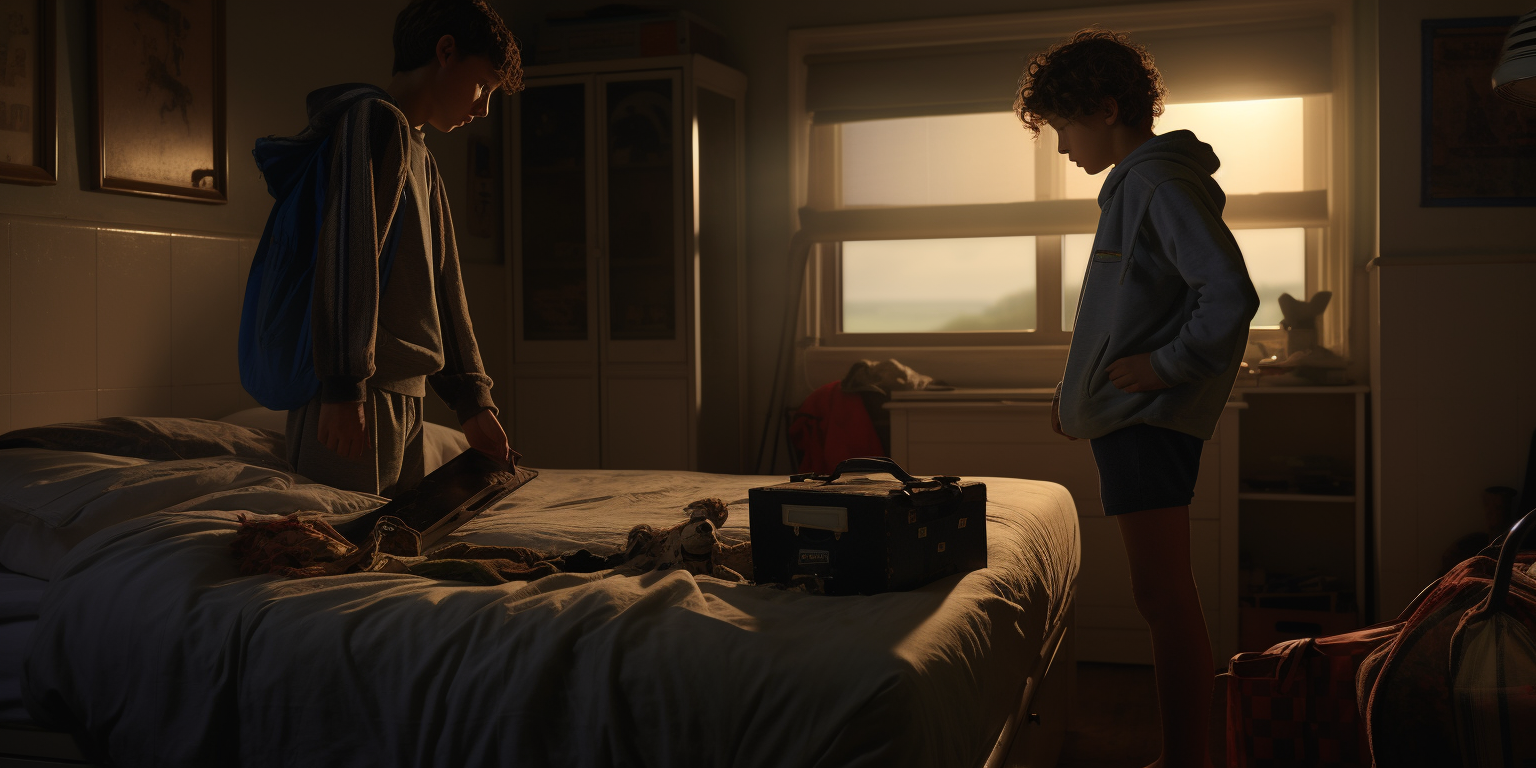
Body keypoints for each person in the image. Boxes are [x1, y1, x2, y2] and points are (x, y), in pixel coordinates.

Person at [1015, 29, 1259, 768]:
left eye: (1064, 127)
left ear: (1107, 108)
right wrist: (1077, 396)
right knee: (1163, 596)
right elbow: (1122, 315)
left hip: (1148, 423)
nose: (1062, 148)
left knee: (1163, 599)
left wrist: (1165, 367)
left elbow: (1229, 294)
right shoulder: (1137, 185)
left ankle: (1189, 758)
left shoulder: (1155, 183)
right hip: (1128, 420)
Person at [279, 0, 521, 496]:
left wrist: (473, 402)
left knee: (392, 548)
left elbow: (444, 285)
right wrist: (343, 388)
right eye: (484, 86)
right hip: (356, 396)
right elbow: (346, 256)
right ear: (446, 52)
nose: (484, 107)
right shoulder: (372, 122)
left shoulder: (421, 156)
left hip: (400, 395)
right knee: (339, 551)